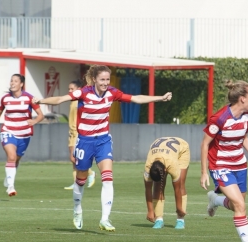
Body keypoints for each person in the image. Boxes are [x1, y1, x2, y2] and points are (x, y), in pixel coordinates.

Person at [34, 65, 172, 232]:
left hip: (103, 141)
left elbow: (136, 98)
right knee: (81, 179)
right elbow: (60, 99)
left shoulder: (112, 93)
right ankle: (77, 210)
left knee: (107, 178)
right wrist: (40, 100)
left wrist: (160, 98)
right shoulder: (83, 93)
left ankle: (105, 219)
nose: (106, 83)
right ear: (94, 80)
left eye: (108, 79)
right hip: (84, 141)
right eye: (102, 80)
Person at [201, 80, 248, 242]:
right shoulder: (220, 118)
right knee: (240, 205)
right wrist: (204, 172)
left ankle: (215, 200)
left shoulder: (247, 116)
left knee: (237, 204)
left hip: (240, 165)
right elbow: (205, 144)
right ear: (243, 99)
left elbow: (244, 138)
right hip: (220, 166)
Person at [0, 74, 44, 197]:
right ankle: (11, 187)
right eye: (11, 81)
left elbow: (40, 115)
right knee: (11, 156)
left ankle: (9, 177)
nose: (12, 83)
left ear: (21, 84)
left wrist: (34, 121)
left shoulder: (29, 98)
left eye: (15, 81)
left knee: (16, 159)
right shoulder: (5, 99)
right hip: (8, 131)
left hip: (24, 134)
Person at [144, 136, 189, 230]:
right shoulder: (148, 166)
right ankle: (159, 220)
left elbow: (177, 189)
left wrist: (179, 208)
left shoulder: (172, 165)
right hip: (163, 151)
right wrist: (150, 211)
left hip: (182, 149)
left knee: (180, 185)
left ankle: (180, 220)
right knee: (157, 187)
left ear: (165, 170)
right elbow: (148, 189)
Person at [64, 80, 95, 190]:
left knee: (74, 158)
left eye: (72, 89)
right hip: (72, 133)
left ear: (78, 90)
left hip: (77, 133)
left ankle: (90, 173)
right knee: (73, 160)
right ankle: (76, 182)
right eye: (69, 89)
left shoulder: (79, 101)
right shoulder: (73, 101)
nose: (69, 91)